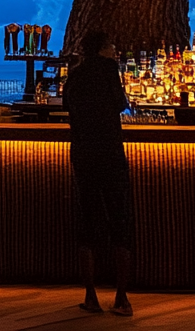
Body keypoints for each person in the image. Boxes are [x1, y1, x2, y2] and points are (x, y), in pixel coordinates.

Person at [61, 30, 133, 317]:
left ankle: (91, 295)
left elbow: (68, 108)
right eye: (112, 44)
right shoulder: (108, 69)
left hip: (82, 153)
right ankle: (122, 298)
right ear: (104, 48)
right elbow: (120, 104)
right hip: (110, 153)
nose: (115, 49)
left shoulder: (75, 76)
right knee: (120, 220)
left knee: (87, 221)